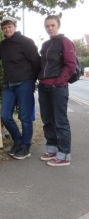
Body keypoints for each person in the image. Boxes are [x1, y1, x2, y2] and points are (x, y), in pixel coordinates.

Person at [0, 16, 41, 160]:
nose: (7, 29)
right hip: (9, 85)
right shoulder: (4, 44)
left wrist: (32, 81)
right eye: (4, 28)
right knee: (5, 116)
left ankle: (25, 147)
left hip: (25, 83)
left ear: (15, 27)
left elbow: (36, 62)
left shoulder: (26, 42)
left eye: (9, 26)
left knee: (25, 117)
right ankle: (18, 141)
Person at [37, 15, 77, 166]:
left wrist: (58, 82)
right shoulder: (46, 44)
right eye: (47, 26)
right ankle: (52, 149)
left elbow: (71, 64)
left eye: (52, 25)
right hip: (44, 87)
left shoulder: (65, 42)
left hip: (58, 88)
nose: (50, 28)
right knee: (48, 120)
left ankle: (64, 155)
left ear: (58, 26)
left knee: (60, 121)